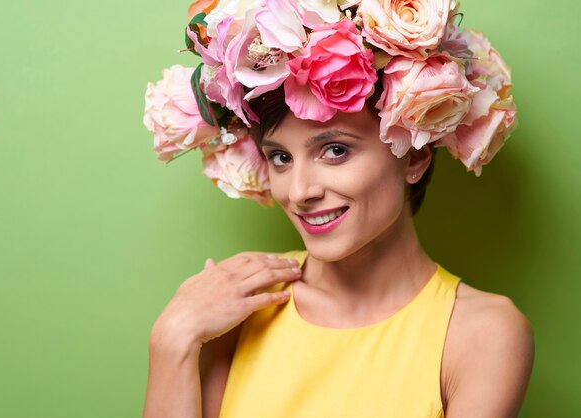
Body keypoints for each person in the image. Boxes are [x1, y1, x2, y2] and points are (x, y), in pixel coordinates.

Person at [141, 1, 535, 417]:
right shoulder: (236, 305)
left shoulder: (482, 334)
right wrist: (172, 339)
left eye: (334, 150)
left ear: (414, 157)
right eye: (280, 158)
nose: (299, 192)